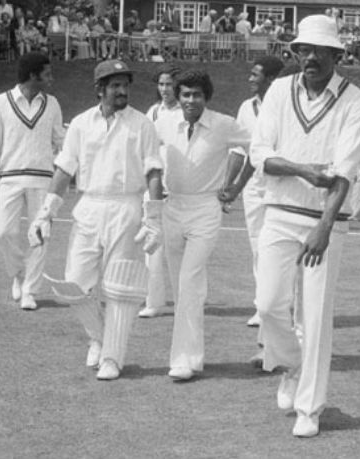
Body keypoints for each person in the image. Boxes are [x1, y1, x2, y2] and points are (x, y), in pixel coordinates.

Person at [249, 15, 360, 437]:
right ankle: (291, 364)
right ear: (296, 52)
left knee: (316, 316)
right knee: (268, 305)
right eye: (305, 50)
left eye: (321, 51)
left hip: (324, 221)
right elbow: (259, 154)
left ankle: (310, 407)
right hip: (279, 212)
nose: (311, 57)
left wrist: (325, 226)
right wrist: (303, 169)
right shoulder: (280, 90)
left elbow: (345, 170)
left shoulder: (356, 100)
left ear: (337, 55)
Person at [28, 59, 164, 381]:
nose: (122, 91)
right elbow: (65, 169)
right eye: (115, 85)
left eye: (125, 85)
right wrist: (46, 213)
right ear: (99, 89)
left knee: (118, 288)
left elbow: (154, 171)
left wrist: (154, 217)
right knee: (73, 282)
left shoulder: (142, 124)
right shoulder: (80, 123)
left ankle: (112, 358)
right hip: (89, 205)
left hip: (126, 206)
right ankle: (99, 337)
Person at [155, 70, 250, 381]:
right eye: (186, 94)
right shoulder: (163, 122)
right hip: (172, 207)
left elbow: (257, 149)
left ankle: (184, 358)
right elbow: (145, 155)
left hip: (206, 208)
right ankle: (192, 357)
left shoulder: (223, 124)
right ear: (178, 96)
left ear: (206, 97)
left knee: (189, 279)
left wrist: (235, 187)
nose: (191, 100)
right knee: (183, 286)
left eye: (197, 95)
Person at [0, 52, 64, 310]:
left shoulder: (52, 104)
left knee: (40, 234)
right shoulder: (1, 102)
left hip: (43, 179)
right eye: (47, 74)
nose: (51, 78)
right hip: (10, 178)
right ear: (33, 75)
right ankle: (18, 273)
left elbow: (61, 141)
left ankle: (30, 291)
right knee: (2, 232)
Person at [218, 56, 285, 333]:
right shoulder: (247, 107)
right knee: (258, 246)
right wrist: (229, 186)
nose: (250, 79)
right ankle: (263, 305)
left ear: (271, 79)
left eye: (256, 75)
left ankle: (283, 306)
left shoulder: (285, 105)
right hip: (253, 188)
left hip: (282, 186)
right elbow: (240, 151)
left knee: (281, 248)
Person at [138, 64, 182, 319]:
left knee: (177, 248)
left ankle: (183, 299)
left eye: (169, 84)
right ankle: (153, 301)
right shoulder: (153, 112)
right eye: (161, 84)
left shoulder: (185, 111)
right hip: (154, 187)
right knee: (152, 246)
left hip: (179, 189)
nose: (165, 89)